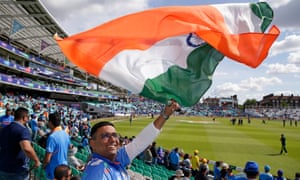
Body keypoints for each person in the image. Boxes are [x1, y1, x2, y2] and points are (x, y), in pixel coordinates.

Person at [81, 101, 179, 179]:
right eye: (105, 136)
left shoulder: (116, 158)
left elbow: (141, 141)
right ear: (92, 143)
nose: (113, 140)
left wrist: (165, 115)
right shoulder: (97, 171)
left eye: (115, 135)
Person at [0, 107, 41, 180]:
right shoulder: (23, 130)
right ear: (24, 117)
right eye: (28, 117)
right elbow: (26, 148)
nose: (28, 119)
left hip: (3, 167)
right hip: (17, 170)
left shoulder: (5, 129)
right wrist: (36, 160)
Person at [43, 112, 71, 180]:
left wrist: (44, 165)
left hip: (54, 169)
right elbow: (69, 147)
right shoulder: (65, 134)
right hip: (64, 167)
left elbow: (48, 158)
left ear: (50, 122)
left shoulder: (52, 137)